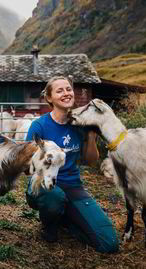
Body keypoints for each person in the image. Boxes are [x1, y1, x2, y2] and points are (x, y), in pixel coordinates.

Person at [25, 76, 119, 253]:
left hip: (73, 186)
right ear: (49, 98)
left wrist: (91, 135)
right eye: (59, 90)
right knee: (54, 197)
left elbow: (90, 161)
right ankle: (49, 227)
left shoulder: (80, 124)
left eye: (68, 89)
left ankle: (67, 221)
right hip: (43, 186)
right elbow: (27, 167)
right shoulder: (39, 126)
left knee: (109, 244)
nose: (66, 93)